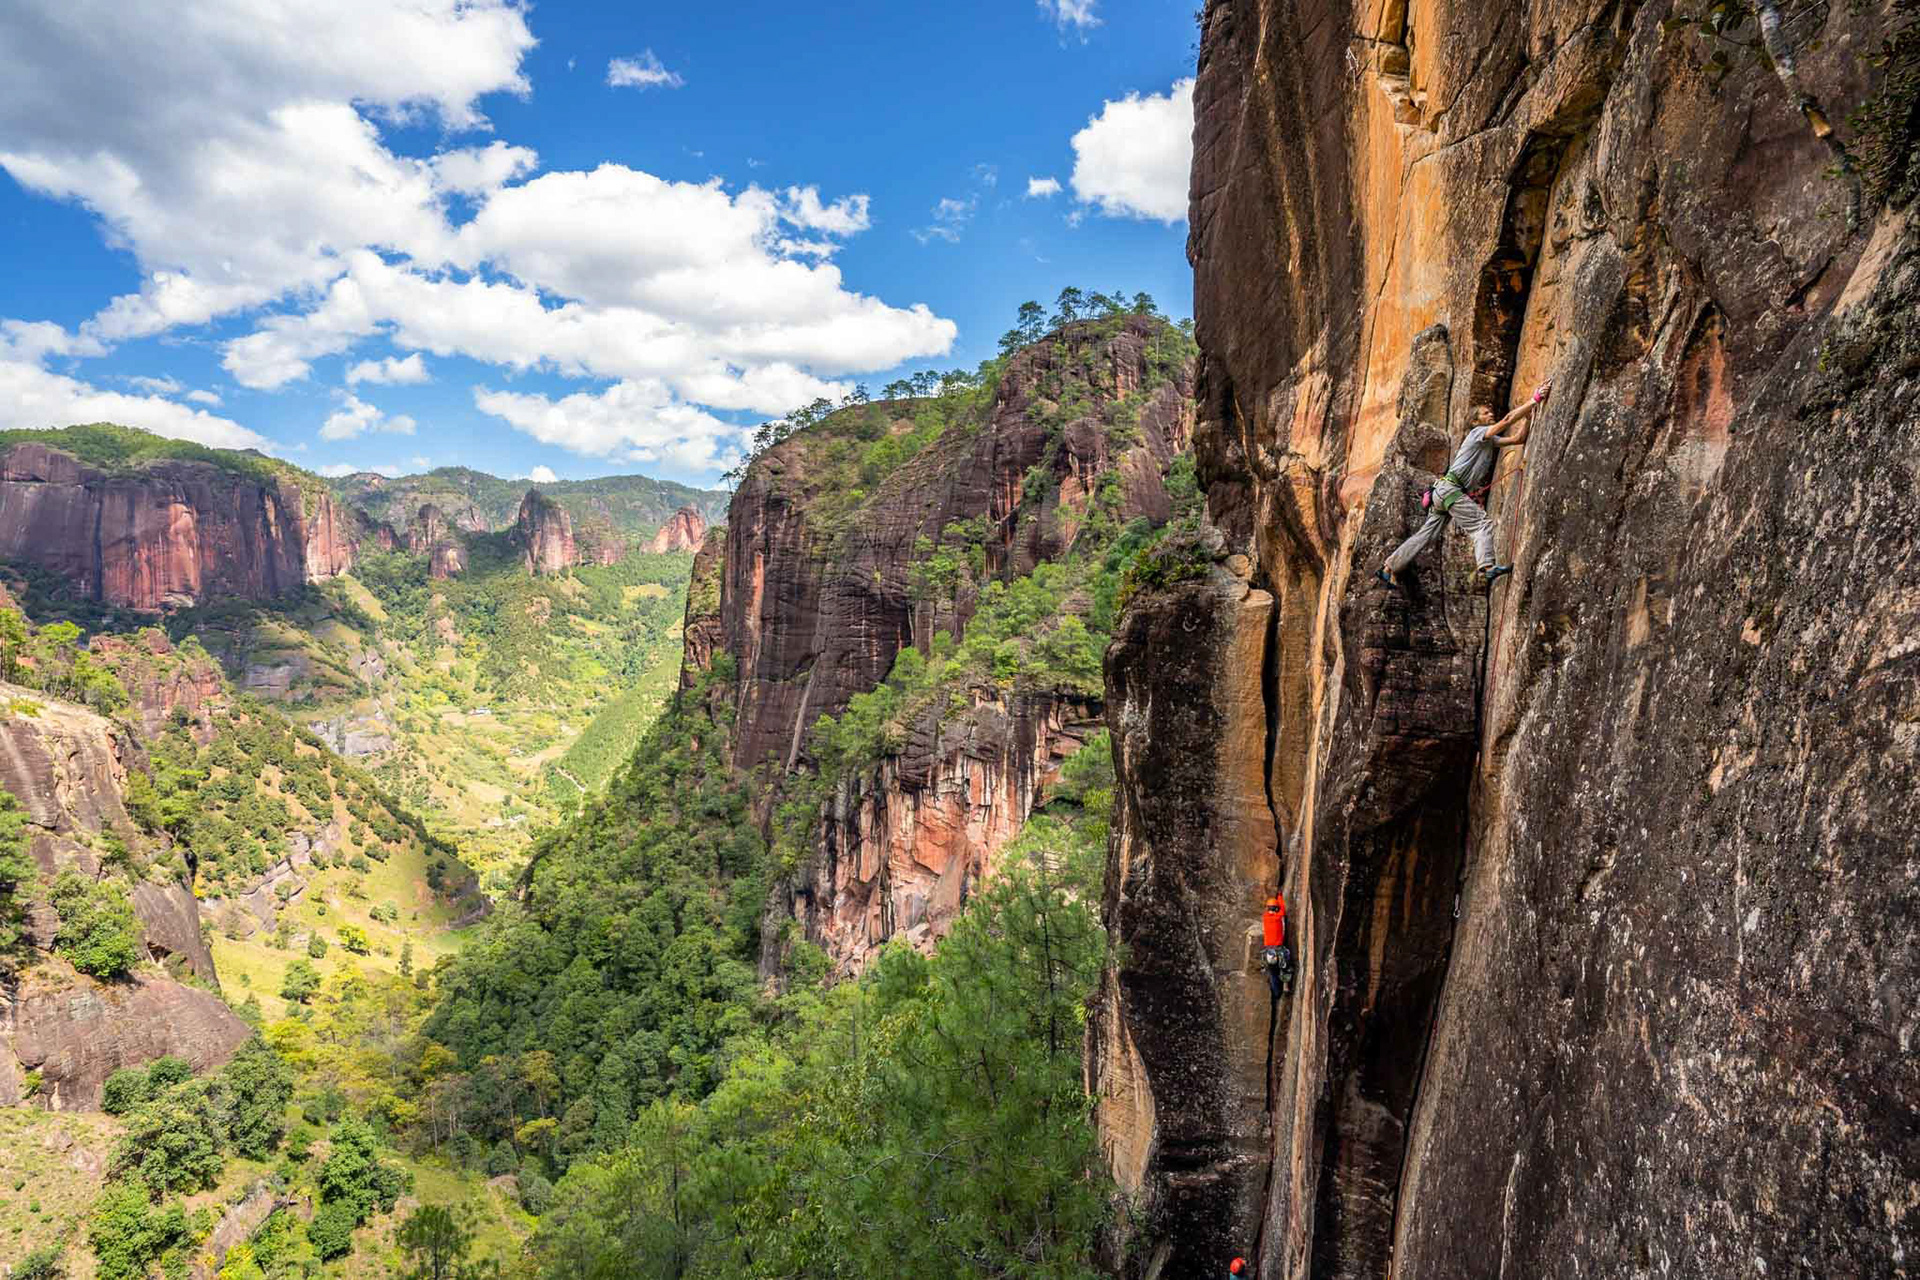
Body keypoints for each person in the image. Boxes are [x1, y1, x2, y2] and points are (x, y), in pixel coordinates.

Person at [1377, 381, 1550, 588]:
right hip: (1450, 491)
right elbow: (1507, 420)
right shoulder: (1477, 434)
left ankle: (1389, 566)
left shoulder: (1490, 440)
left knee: (1425, 535)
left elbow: (1518, 440)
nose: (1490, 415)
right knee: (1482, 523)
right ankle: (1487, 567)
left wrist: (1529, 418)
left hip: (1443, 493)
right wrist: (1534, 400)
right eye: (1485, 413)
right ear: (1476, 421)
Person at [1262, 893, 1291, 1000]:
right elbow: (1282, 909)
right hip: (1279, 950)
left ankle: (1276, 994)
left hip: (1268, 952)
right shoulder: (1279, 917)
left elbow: (1271, 911)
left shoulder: (1265, 918)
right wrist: (1280, 896)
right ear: (1276, 908)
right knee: (1285, 966)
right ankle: (1286, 985)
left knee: (1273, 974)